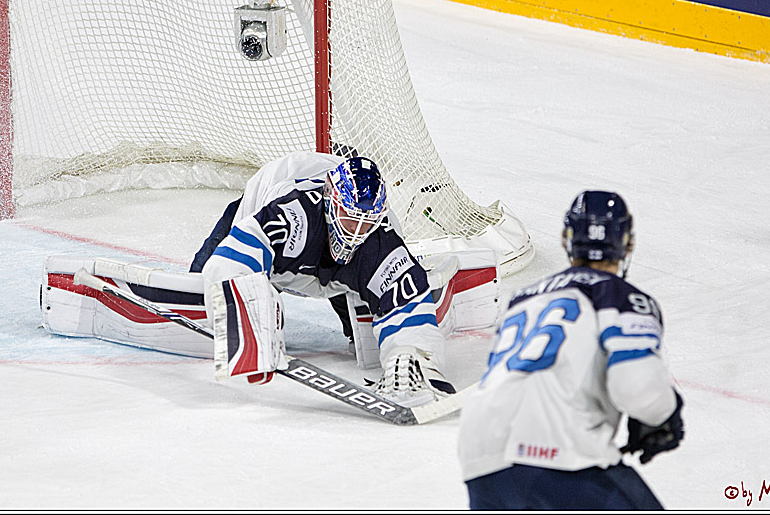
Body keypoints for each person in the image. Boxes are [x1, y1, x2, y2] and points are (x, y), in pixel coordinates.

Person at [457, 190, 684, 510]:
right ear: (627, 243)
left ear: (567, 240)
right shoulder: (620, 298)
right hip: (559, 448)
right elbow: (639, 391)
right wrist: (665, 413)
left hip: (481, 450)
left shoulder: (523, 298)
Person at [195, 150, 456, 407]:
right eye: (350, 220)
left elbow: (409, 310)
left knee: (366, 327)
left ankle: (356, 322)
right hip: (273, 193)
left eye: (366, 224)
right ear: (330, 201)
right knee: (200, 283)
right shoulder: (290, 215)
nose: (356, 234)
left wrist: (416, 362)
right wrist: (251, 324)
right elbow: (229, 264)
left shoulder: (381, 241)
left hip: (334, 275)